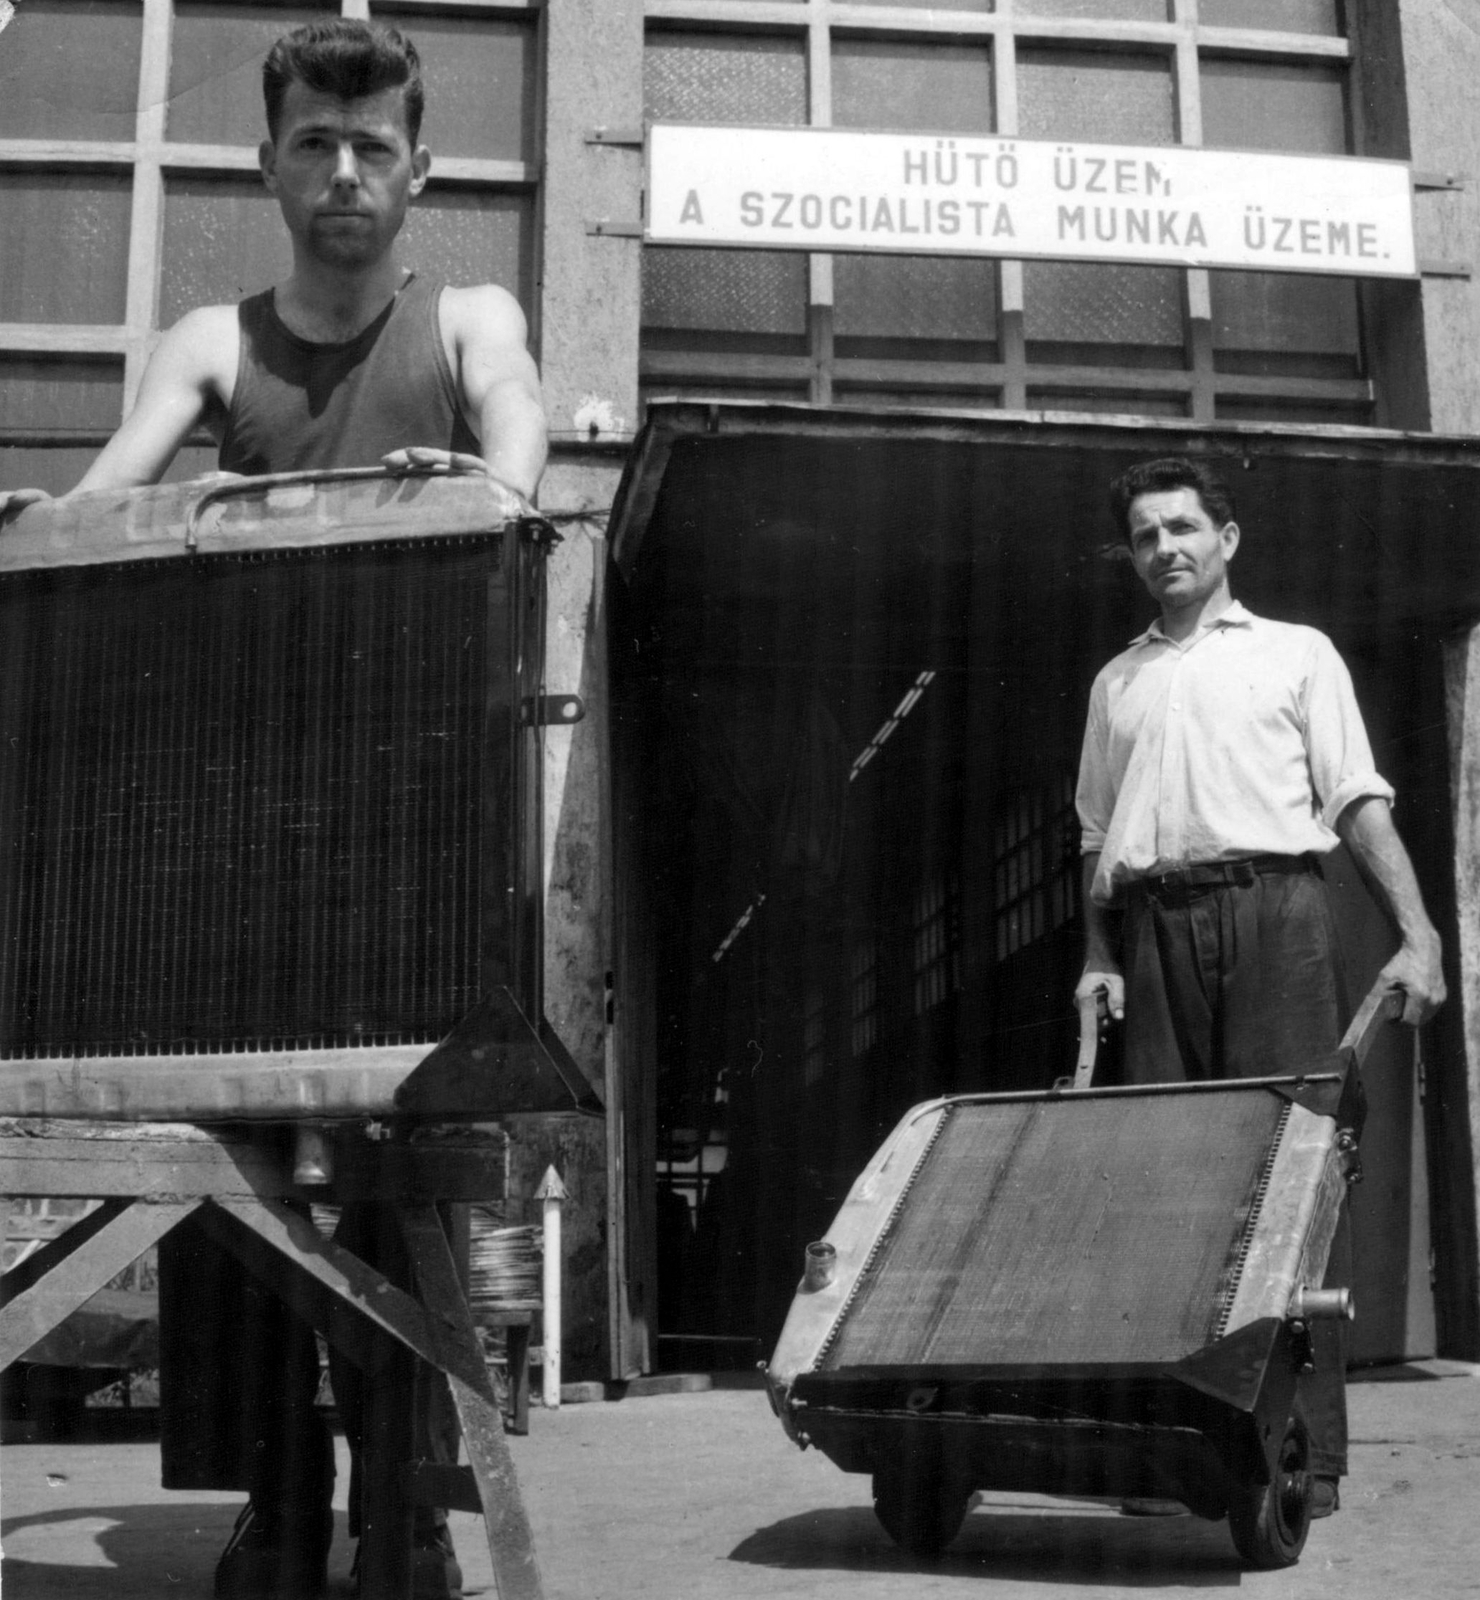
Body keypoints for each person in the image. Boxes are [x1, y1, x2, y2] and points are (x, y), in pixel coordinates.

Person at [1, 21, 547, 1600]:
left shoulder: (474, 317)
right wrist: (54, 519)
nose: (344, 174)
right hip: (243, 843)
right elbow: (111, 492)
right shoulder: (211, 343)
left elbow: (517, 429)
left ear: (418, 168)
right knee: (231, 1182)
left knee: (387, 1183)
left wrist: (489, 483)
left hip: (416, 845)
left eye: (373, 148)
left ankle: (402, 1498)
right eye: (314, 144)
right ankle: (279, 1496)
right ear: (269, 165)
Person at [1073, 455, 1445, 1522]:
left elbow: (1358, 806)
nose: (1165, 550)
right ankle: (1176, 1454)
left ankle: (1303, 1456)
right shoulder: (1117, 682)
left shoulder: (1297, 655)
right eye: (1145, 535)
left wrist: (1419, 935)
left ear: (1225, 540)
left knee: (1294, 1188)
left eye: (1182, 528)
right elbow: (1095, 839)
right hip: (1155, 933)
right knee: (1165, 1197)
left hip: (1277, 919)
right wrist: (1098, 958)